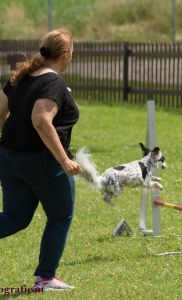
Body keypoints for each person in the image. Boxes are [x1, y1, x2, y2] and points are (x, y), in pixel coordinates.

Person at [0, 28, 81, 291]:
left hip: (10, 160)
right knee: (60, 216)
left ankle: (46, 276)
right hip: (42, 163)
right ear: (66, 53)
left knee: (15, 217)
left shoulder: (21, 77)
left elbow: (0, 111)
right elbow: (41, 120)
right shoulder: (54, 82)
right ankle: (45, 277)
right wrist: (65, 161)